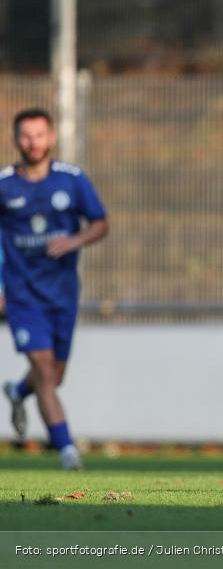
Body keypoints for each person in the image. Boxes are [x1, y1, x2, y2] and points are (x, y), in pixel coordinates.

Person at [1, 108, 109, 470]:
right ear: (16, 139)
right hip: (21, 294)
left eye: (39, 135)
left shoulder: (72, 179)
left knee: (55, 374)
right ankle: (67, 450)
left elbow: (100, 223)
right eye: (26, 135)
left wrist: (74, 240)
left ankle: (17, 391)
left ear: (51, 138)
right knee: (46, 373)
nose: (33, 142)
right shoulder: (4, 184)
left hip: (62, 292)